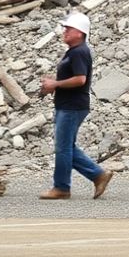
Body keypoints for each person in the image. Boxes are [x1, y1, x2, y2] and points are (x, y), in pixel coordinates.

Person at [38, 12, 114, 200]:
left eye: (69, 28)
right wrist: (53, 85)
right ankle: (98, 175)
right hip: (68, 104)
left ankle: (62, 187)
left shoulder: (80, 52)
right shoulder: (74, 51)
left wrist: (55, 85)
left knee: (63, 148)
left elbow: (81, 79)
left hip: (72, 106)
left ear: (80, 32)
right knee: (67, 147)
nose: (65, 31)